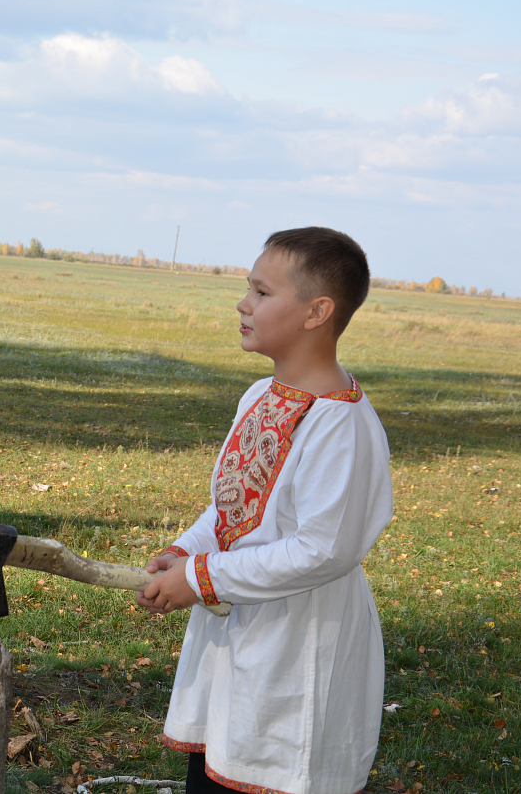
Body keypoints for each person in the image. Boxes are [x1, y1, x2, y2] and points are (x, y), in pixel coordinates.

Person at [137, 227, 393, 794]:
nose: (242, 304)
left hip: (299, 641)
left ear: (316, 311)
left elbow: (323, 550)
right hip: (236, 625)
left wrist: (202, 578)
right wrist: (187, 551)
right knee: (217, 764)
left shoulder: (340, 425)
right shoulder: (259, 395)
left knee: (274, 769)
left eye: (261, 292)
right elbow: (232, 506)